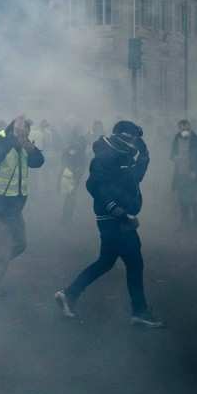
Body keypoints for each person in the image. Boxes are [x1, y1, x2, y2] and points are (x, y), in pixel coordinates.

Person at [55, 120, 163, 328]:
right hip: (114, 220)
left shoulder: (124, 156)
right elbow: (95, 186)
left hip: (120, 218)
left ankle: (69, 294)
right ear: (123, 137)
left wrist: (145, 156)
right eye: (134, 139)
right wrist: (119, 212)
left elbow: (135, 179)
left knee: (106, 261)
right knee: (134, 262)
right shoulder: (105, 157)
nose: (135, 143)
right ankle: (140, 311)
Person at [0, 116, 45, 297]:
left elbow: (38, 162)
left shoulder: (24, 144)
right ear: (14, 129)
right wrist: (13, 139)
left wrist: (29, 146)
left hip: (13, 207)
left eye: (27, 132)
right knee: (2, 250)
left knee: (20, 244)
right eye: (22, 131)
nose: (25, 135)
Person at [171, 119, 197, 231]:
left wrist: (194, 171)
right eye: (182, 129)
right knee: (181, 201)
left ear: (190, 128)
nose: (184, 131)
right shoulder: (177, 138)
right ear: (179, 129)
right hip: (180, 175)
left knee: (192, 200)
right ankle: (184, 224)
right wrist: (175, 157)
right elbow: (171, 154)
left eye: (186, 128)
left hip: (193, 176)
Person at [60, 127, 88, 226]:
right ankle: (66, 219)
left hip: (73, 175)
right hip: (71, 175)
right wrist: (73, 169)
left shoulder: (74, 148)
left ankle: (67, 218)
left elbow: (65, 159)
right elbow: (66, 159)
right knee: (70, 196)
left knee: (70, 196)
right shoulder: (74, 148)